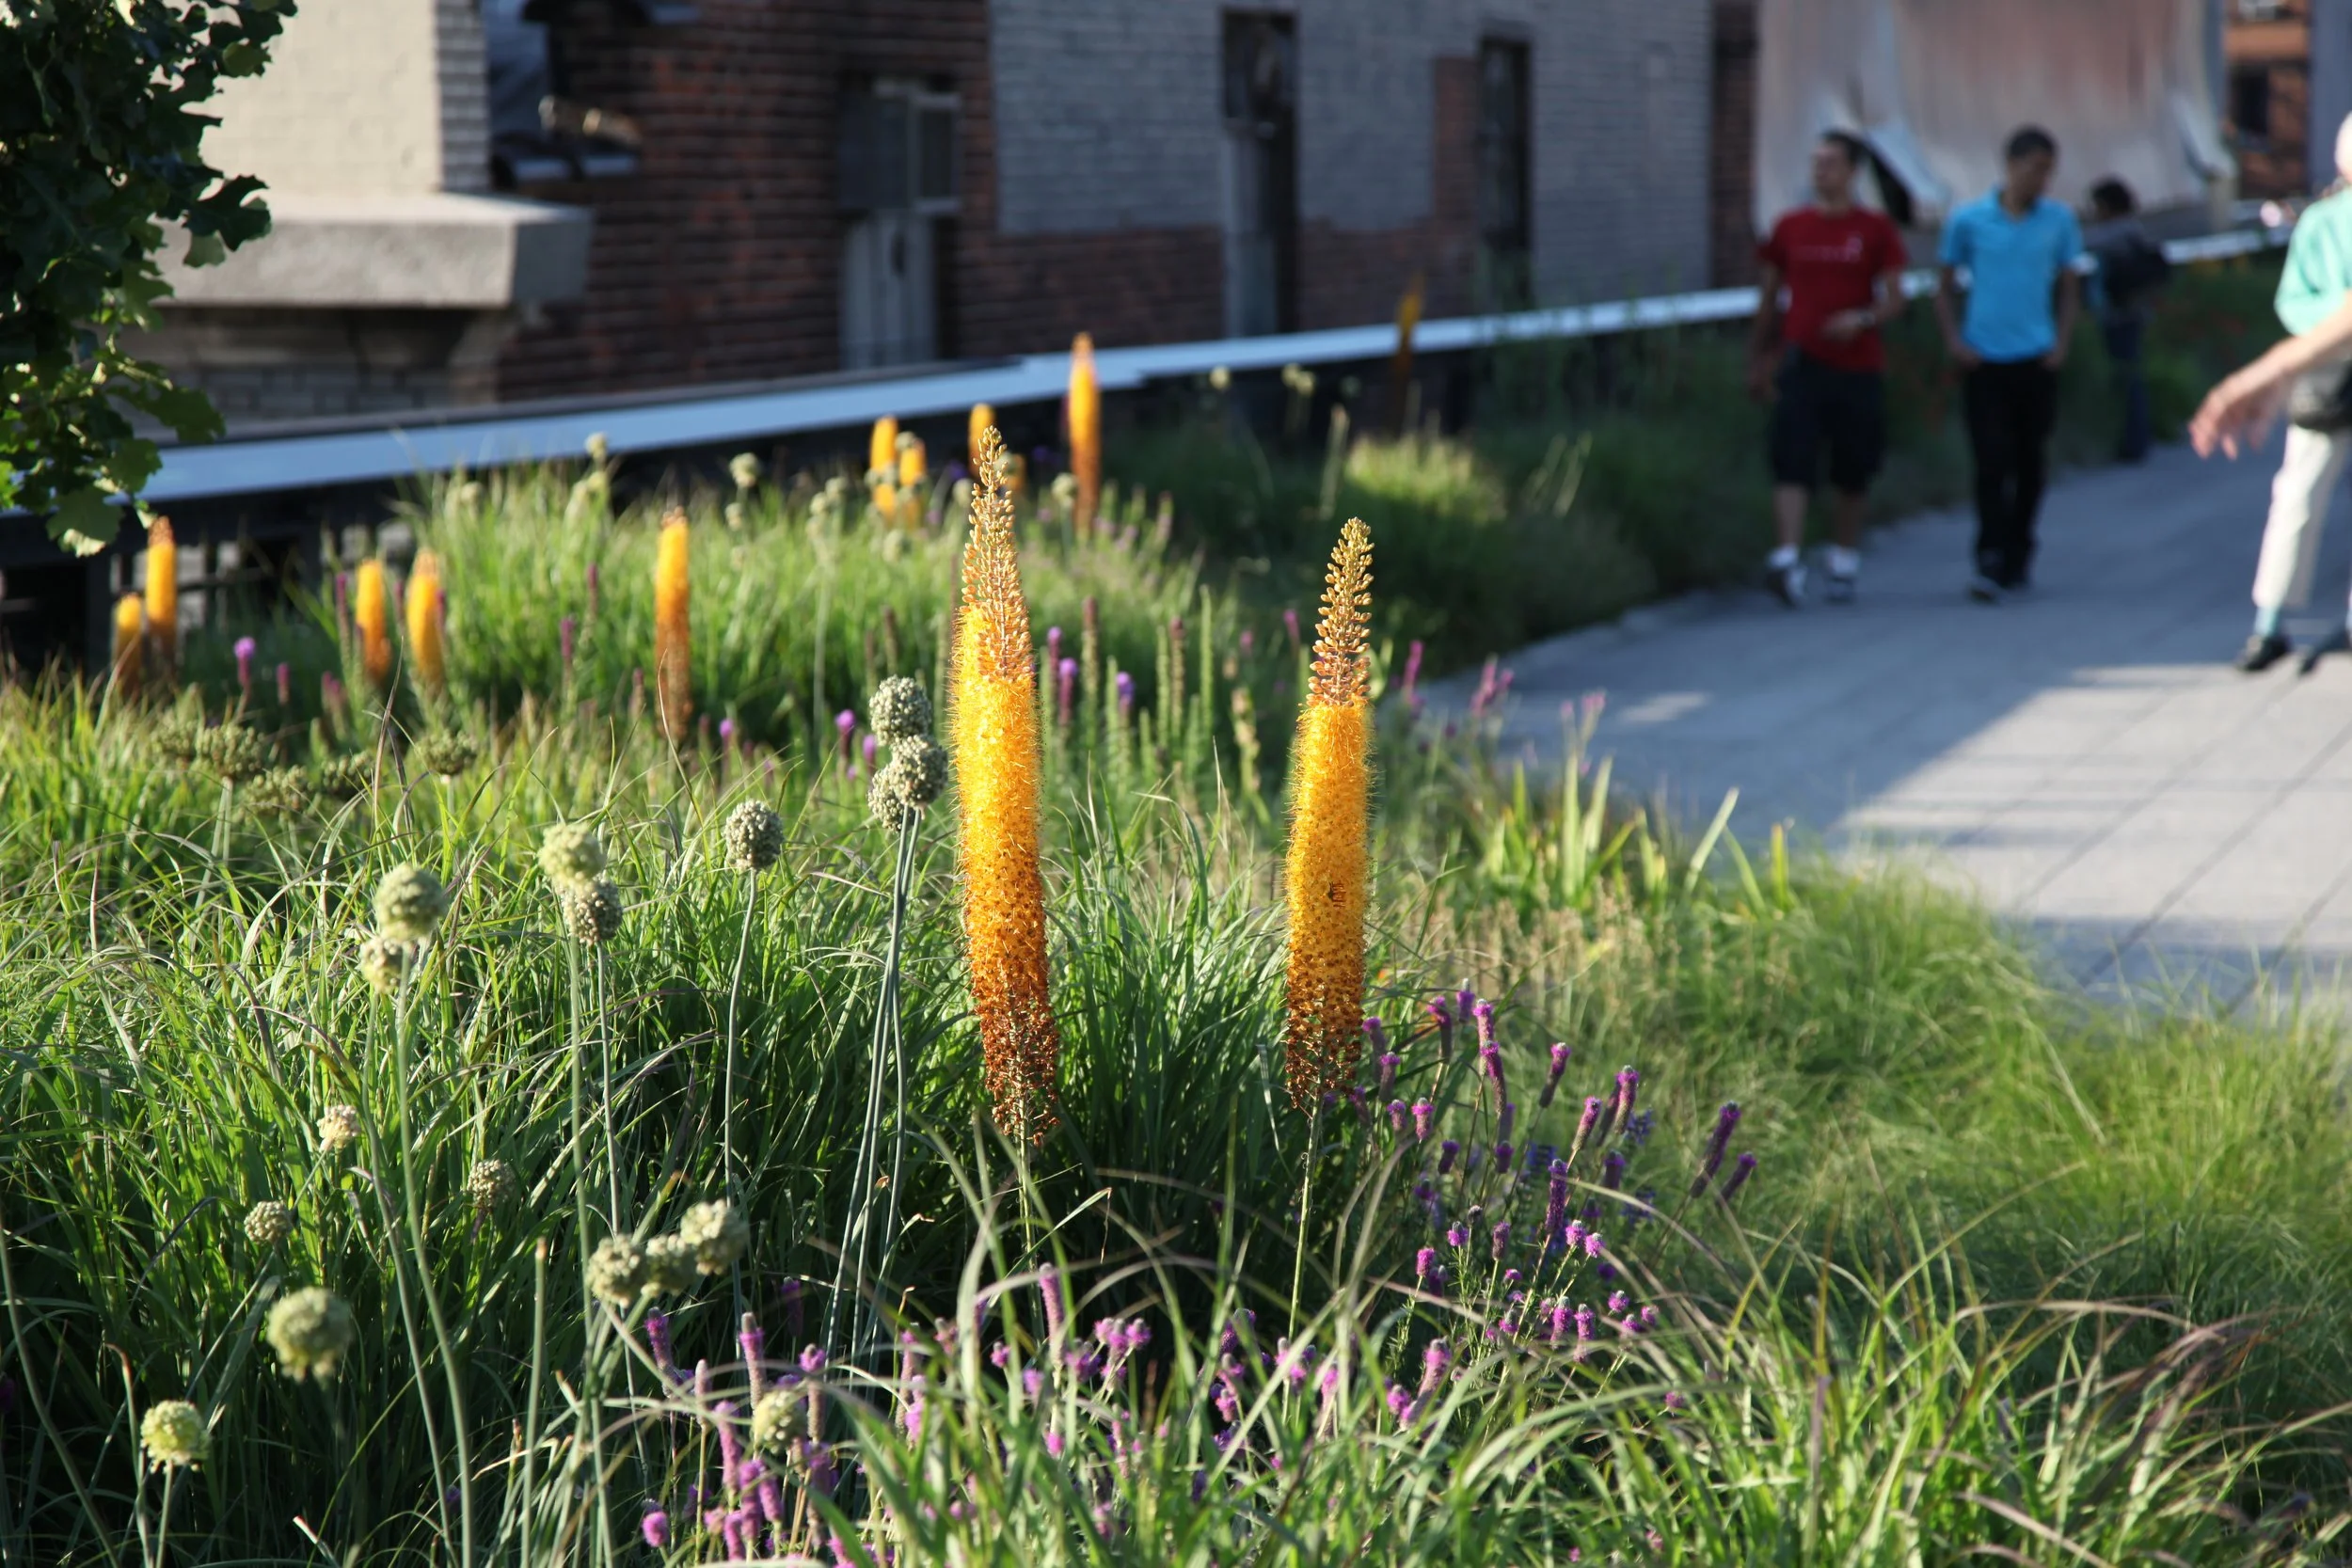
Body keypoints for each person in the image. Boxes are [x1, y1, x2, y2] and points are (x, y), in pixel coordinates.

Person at [2190, 113, 2352, 673]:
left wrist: (2262, 376)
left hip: (2315, 360)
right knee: (2299, 493)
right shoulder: (2323, 222)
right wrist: (2282, 369)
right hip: (2328, 373)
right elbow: (2310, 307)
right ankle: (2271, 619)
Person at [1747, 129, 1909, 606]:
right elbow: (1769, 295)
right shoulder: (1790, 227)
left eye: (1831, 163)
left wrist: (1861, 318)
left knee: (1852, 467)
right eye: (1816, 162)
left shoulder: (1874, 229)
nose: (1821, 171)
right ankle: (1787, 559)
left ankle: (1842, 556)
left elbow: (1897, 298)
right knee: (1791, 458)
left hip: (1857, 366)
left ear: (1852, 172)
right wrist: (1758, 357)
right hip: (1802, 360)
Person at [1935, 126, 2085, 601]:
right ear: (2011, 164)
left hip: (2035, 354)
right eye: (2035, 168)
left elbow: (2069, 286)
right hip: (1985, 356)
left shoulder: (2058, 221)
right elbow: (1942, 285)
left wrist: (2061, 342)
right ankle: (1990, 554)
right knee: (1989, 457)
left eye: (2048, 171)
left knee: (2029, 460)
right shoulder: (1969, 220)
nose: (2042, 179)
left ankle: (2020, 546)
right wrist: (1954, 340)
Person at [2083, 177, 2170, 464]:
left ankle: (2133, 440)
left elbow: (2080, 244)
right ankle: (2137, 436)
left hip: (2120, 313)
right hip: (2133, 311)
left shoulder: (2116, 232)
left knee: (2127, 376)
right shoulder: (2137, 229)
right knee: (2131, 373)